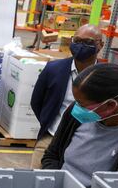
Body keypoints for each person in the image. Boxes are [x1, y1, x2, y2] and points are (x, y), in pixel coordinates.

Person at [30, 24, 104, 169]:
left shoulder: (105, 76)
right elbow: (36, 101)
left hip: (90, 144)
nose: (81, 46)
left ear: (100, 45)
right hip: (51, 138)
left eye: (88, 42)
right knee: (38, 180)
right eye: (77, 40)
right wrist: (48, 122)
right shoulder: (53, 69)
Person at [42, 63, 118, 187]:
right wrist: (55, 181)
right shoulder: (75, 116)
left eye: (81, 104)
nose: (76, 107)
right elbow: (52, 155)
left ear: (111, 105)